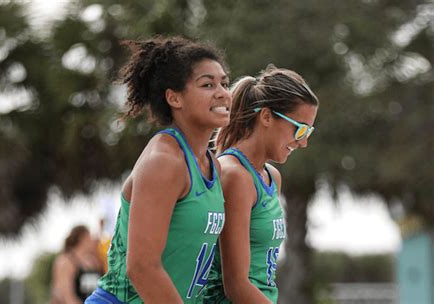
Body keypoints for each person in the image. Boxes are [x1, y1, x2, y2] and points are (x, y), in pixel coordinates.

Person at [85, 36, 232, 304]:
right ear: (174, 98)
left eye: (225, 83)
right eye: (208, 84)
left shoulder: (213, 166)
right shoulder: (164, 162)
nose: (223, 92)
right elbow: (142, 268)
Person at [203, 65, 319, 303]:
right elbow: (236, 284)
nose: (303, 142)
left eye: (309, 131)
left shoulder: (271, 176)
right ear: (266, 116)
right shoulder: (235, 176)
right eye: (299, 130)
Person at [51, 225, 104, 304]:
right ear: (82, 239)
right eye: (89, 237)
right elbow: (66, 296)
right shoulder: (67, 261)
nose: (92, 240)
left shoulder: (93, 261)